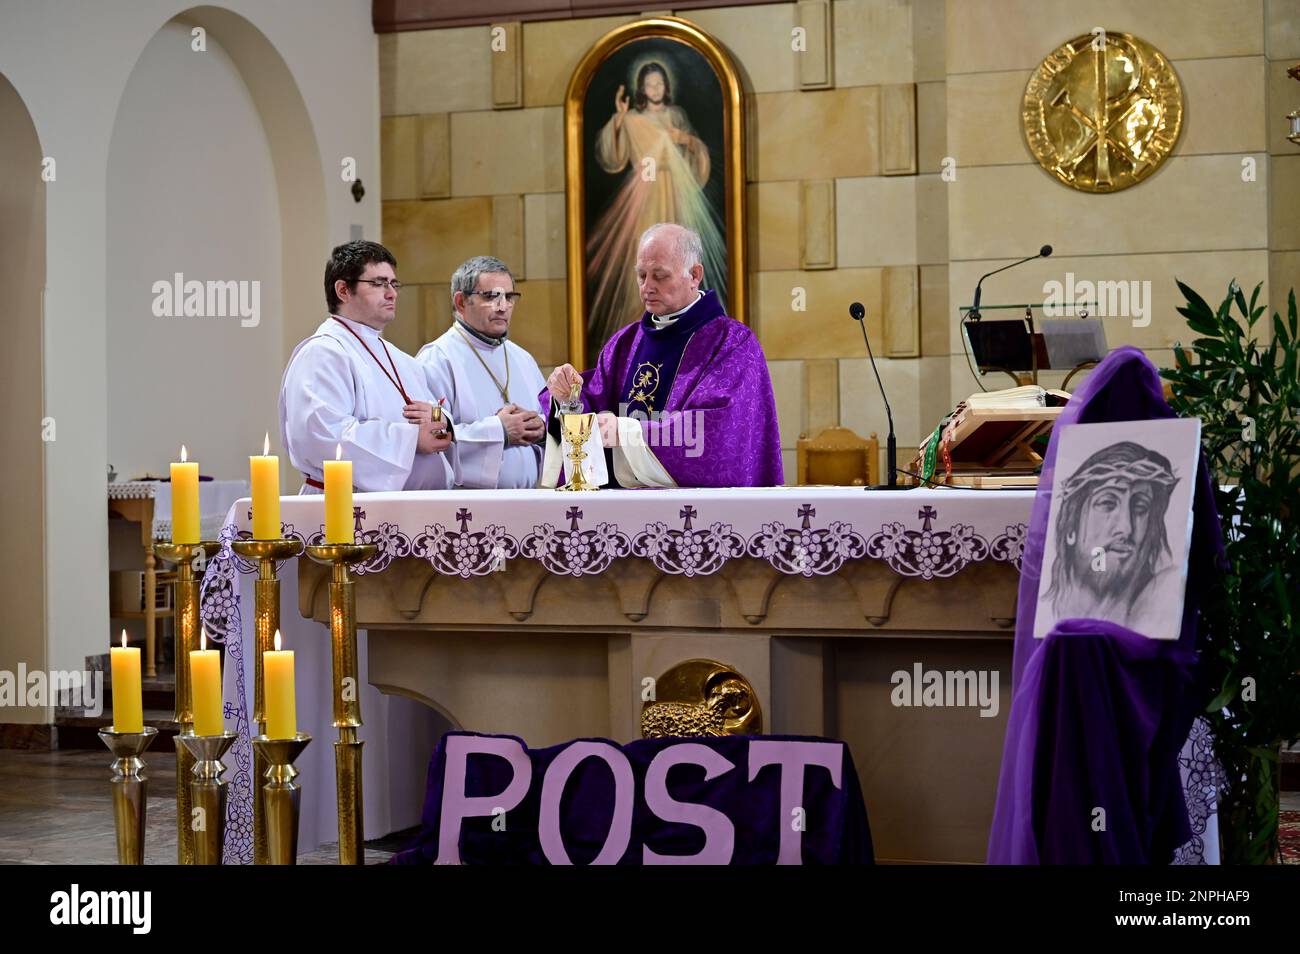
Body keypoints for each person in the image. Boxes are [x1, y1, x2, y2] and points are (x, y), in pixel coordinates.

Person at [541, 222, 781, 488]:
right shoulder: (625, 343)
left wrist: (626, 432)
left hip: (697, 516)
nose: (647, 287)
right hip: (620, 512)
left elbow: (718, 434)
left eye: (660, 276)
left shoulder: (732, 343)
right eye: (641, 275)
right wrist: (568, 400)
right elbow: (595, 407)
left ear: (694, 274)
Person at [279, 240, 456, 493]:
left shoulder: (402, 359)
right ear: (343, 290)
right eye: (378, 283)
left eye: (394, 283)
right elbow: (324, 435)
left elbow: (434, 411)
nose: (391, 293)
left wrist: (440, 422)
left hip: (411, 509)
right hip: (348, 509)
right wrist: (410, 439)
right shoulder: (323, 353)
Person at [586, 61, 727, 347]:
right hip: (643, 193)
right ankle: (642, 325)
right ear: (641, 88)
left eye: (659, 84)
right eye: (649, 84)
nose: (655, 89)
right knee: (646, 253)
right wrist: (619, 119)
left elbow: (695, 154)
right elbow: (612, 157)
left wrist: (683, 139)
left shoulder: (675, 116)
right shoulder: (632, 118)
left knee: (677, 254)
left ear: (667, 86)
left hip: (674, 189)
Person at [417, 256, 546, 489]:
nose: (502, 306)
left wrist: (541, 428)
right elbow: (432, 437)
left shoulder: (523, 358)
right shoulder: (437, 359)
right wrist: (500, 431)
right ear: (461, 302)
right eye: (490, 297)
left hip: (529, 499)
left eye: (509, 297)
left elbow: (546, 415)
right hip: (467, 506)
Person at [1042, 440, 1180, 628]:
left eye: (1140, 507)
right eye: (1107, 503)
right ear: (1071, 528)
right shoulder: (1047, 609)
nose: (1126, 528)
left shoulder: (1163, 595)